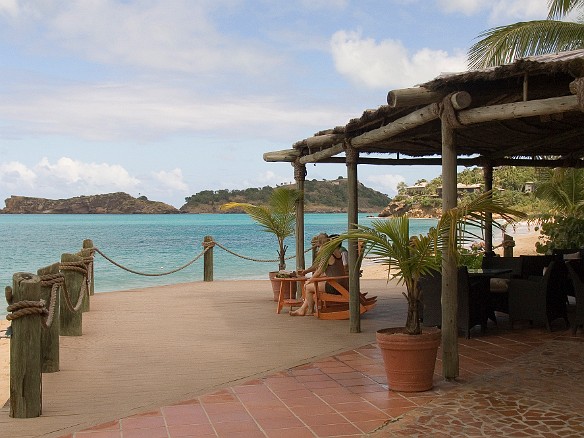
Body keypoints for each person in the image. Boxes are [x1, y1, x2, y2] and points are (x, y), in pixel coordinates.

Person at [290, 233, 349, 316]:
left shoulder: (327, 254)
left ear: (321, 245)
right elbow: (318, 266)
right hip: (343, 283)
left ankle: (310, 311)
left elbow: (319, 271)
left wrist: (310, 280)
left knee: (308, 287)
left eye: (318, 246)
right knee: (311, 286)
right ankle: (302, 309)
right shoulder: (336, 251)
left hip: (335, 286)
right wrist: (306, 272)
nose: (317, 249)